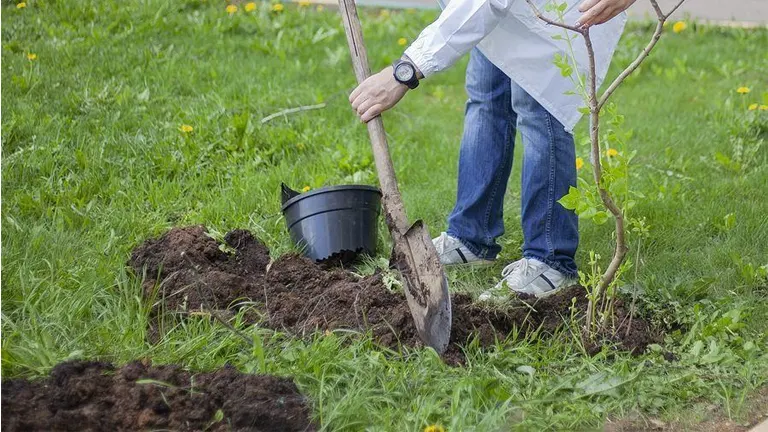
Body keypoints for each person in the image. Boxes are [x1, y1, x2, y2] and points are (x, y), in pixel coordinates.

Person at [349, 0, 635, 300]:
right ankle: (471, 235)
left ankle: (550, 260)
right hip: (502, 11)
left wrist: (405, 71)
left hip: (550, 12)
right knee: (486, 96)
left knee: (539, 108)